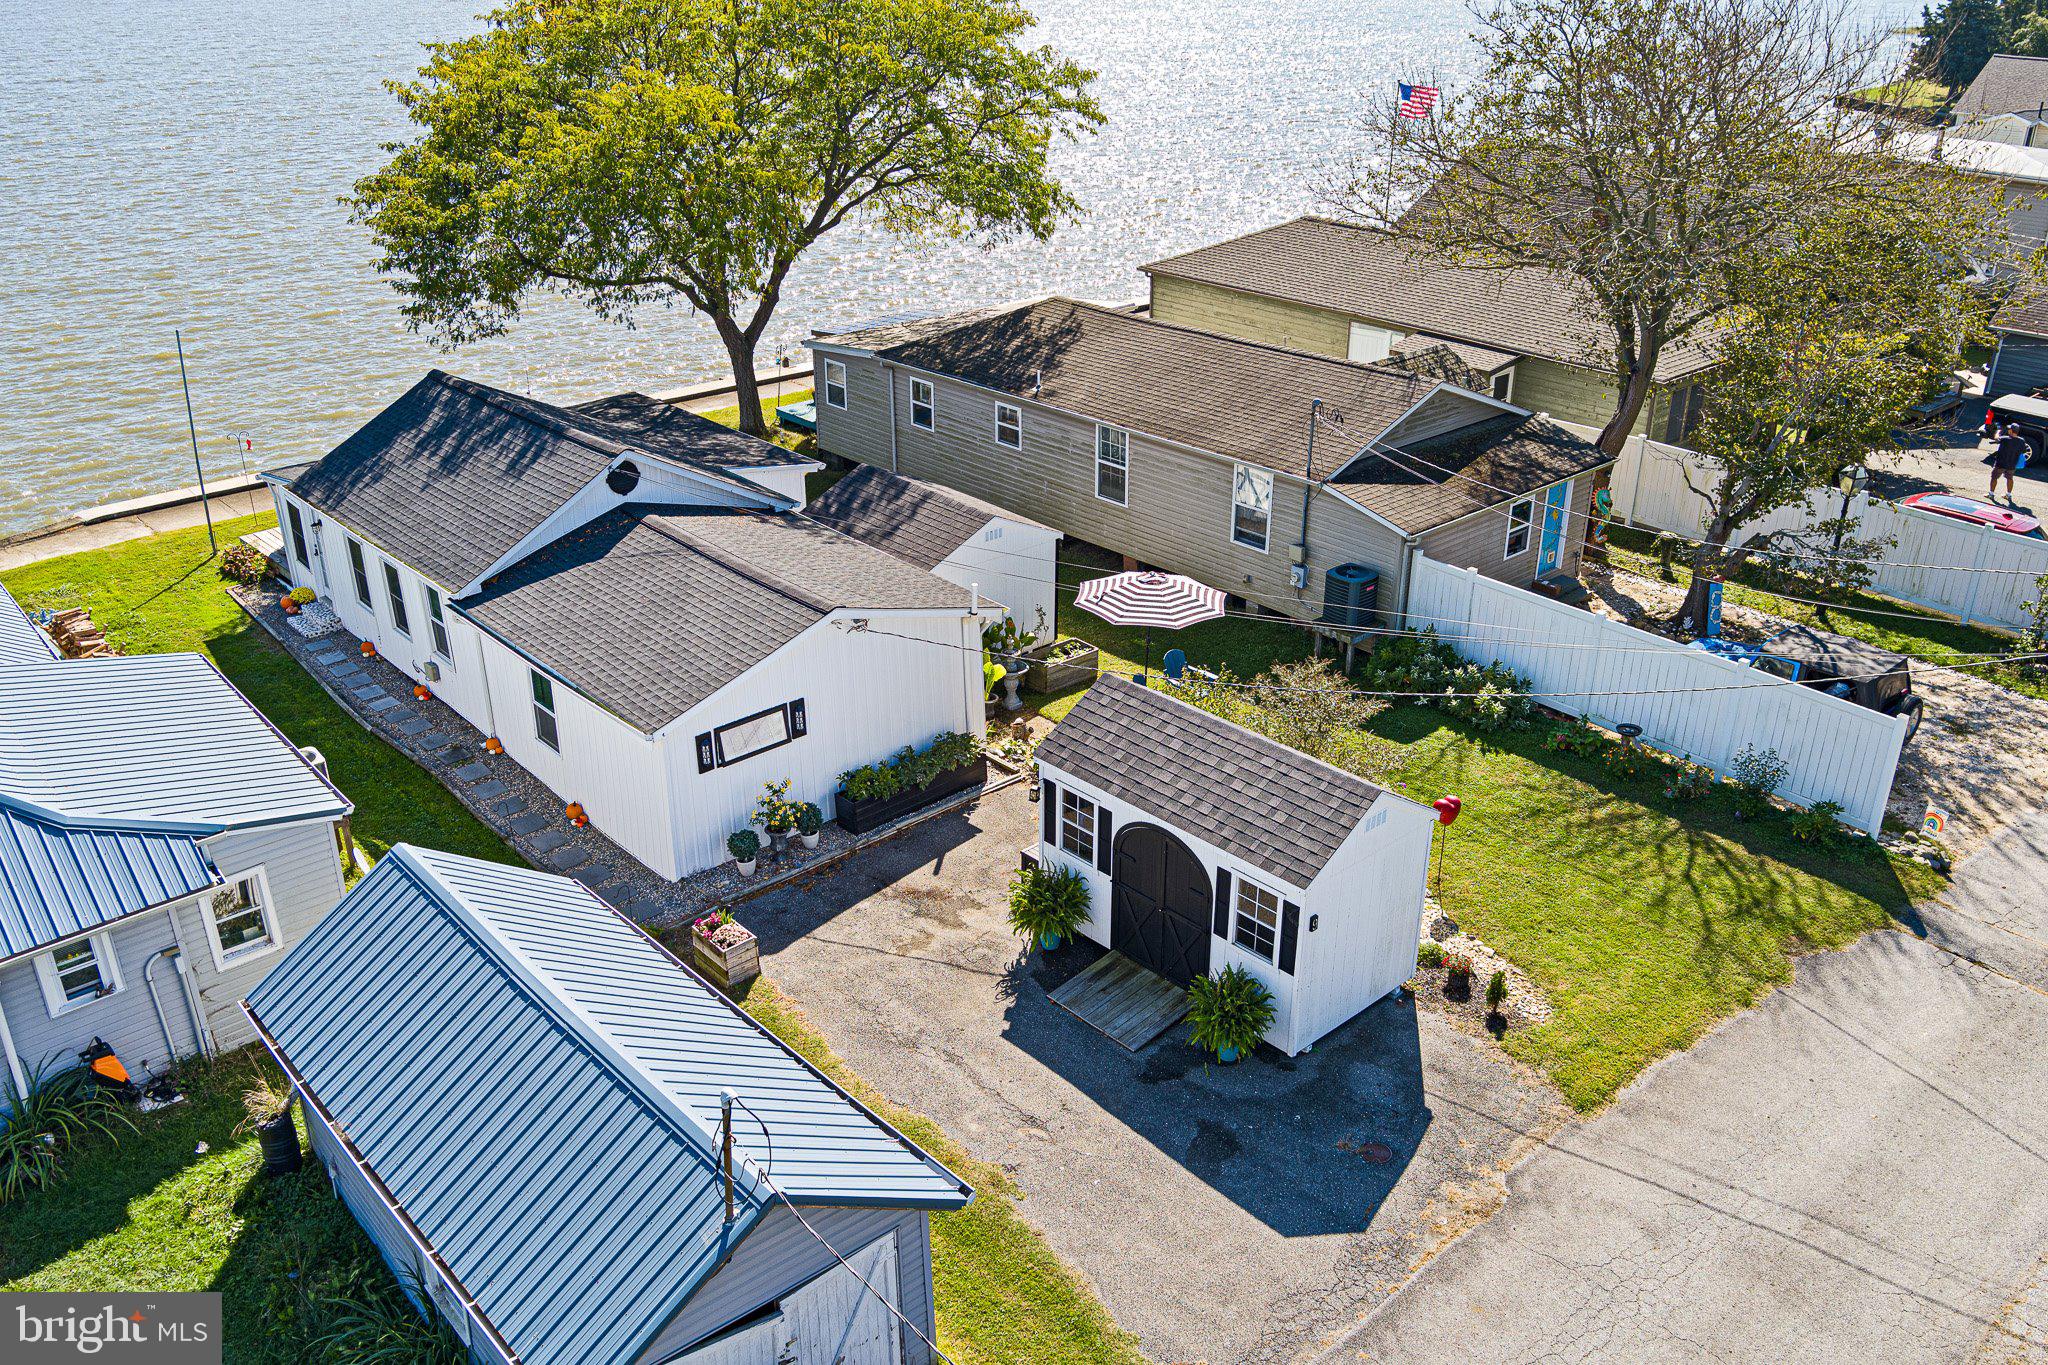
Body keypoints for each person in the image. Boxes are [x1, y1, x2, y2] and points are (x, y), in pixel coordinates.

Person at [1988, 423, 2028, 501]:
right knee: (2010, 478)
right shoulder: (2021, 441)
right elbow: (2023, 451)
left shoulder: (2005, 438)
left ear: (2011, 431)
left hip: (2000, 463)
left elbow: (1996, 438)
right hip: (2012, 465)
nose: (2008, 430)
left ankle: (1991, 494)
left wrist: (1998, 432)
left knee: (1994, 477)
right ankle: (2008, 495)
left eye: (2009, 429)